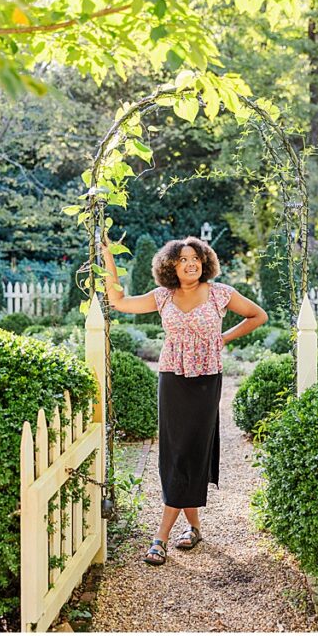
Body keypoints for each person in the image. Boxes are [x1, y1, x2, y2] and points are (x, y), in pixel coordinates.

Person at [100, 236, 267, 566]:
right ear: (170, 265)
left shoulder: (221, 293)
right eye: (184, 259)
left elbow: (258, 315)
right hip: (173, 378)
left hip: (207, 381)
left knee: (192, 450)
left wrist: (223, 338)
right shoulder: (163, 297)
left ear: (205, 262)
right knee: (175, 451)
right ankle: (191, 527)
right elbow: (118, 301)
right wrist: (107, 258)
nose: (192, 263)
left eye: (197, 258)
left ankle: (160, 537)